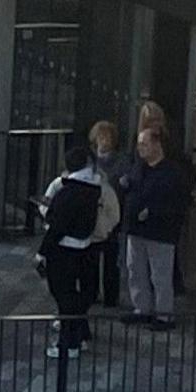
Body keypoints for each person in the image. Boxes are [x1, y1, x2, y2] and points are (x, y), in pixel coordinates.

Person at [38, 145, 116, 355]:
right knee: (78, 295)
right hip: (86, 246)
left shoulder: (70, 192)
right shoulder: (95, 189)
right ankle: (79, 335)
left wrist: (42, 252)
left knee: (64, 297)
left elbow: (58, 226)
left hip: (64, 250)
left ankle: (68, 343)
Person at [123, 123, 194, 328]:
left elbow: (179, 203)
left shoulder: (172, 173)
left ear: (157, 145)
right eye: (139, 144)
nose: (140, 148)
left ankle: (164, 314)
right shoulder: (139, 168)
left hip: (160, 232)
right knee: (135, 270)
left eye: (144, 144)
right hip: (136, 229)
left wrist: (154, 211)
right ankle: (142, 308)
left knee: (160, 275)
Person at [85, 119, 131, 308]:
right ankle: (92, 292)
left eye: (108, 137)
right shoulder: (90, 160)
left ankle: (111, 297)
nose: (104, 141)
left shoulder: (121, 161)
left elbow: (122, 185)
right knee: (92, 258)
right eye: (101, 137)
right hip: (93, 215)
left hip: (113, 214)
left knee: (112, 259)